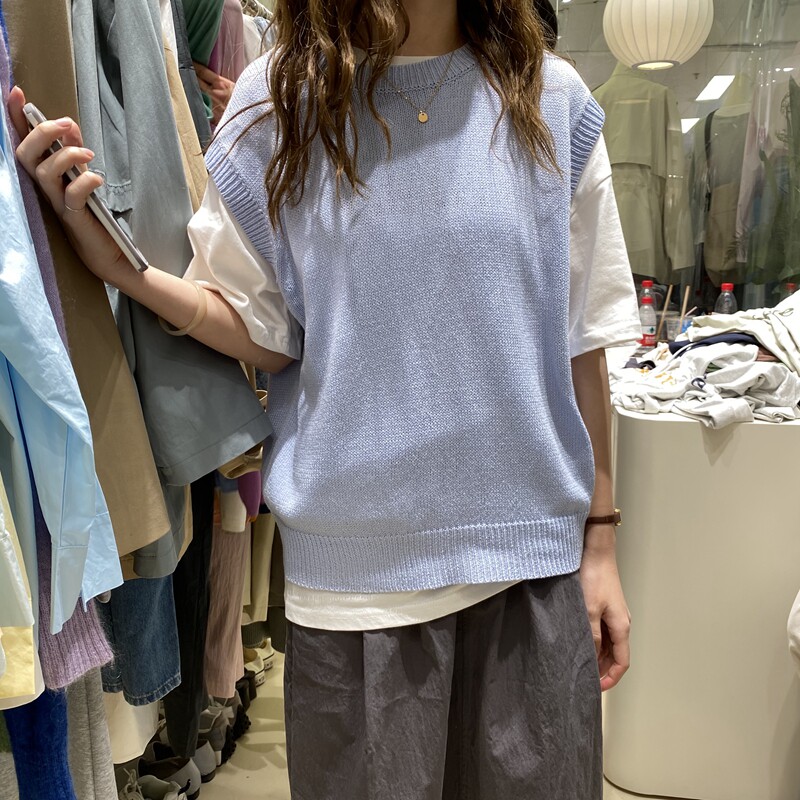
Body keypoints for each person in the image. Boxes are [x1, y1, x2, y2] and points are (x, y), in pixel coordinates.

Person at [10, 1, 640, 797]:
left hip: (531, 575)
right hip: (354, 589)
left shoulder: (551, 99)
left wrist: (601, 544)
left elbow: (585, 337)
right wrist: (125, 272)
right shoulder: (279, 101)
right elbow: (267, 329)